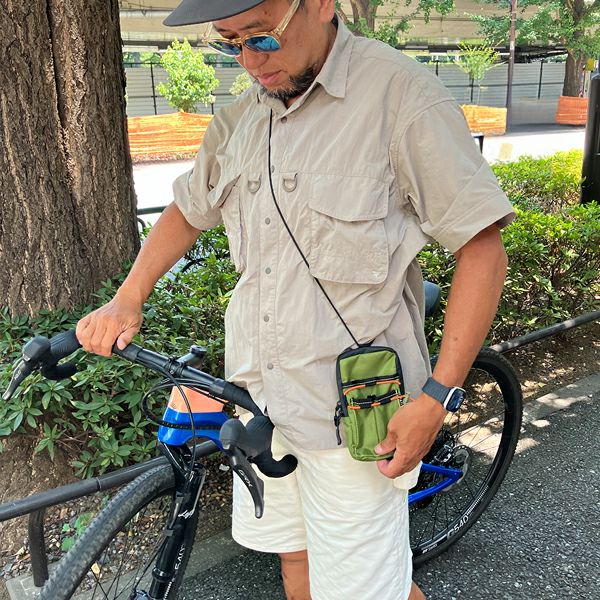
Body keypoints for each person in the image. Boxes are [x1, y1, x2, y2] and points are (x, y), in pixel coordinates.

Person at [76, 0, 515, 598]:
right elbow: (188, 208)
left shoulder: (402, 98)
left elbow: (482, 247)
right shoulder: (242, 117)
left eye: (261, 36)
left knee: (368, 592)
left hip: (356, 417)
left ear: (322, 4)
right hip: (259, 405)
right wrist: (128, 298)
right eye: (229, 42)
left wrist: (438, 397)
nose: (249, 62)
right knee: (297, 564)